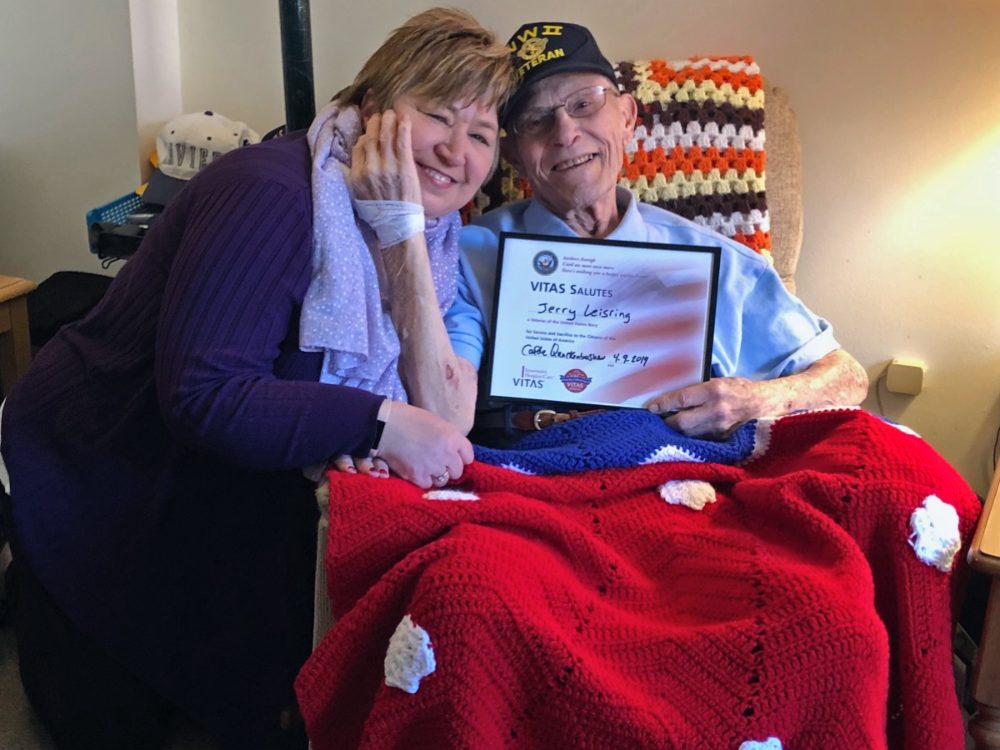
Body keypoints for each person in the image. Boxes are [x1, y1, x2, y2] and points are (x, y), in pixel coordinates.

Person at [0, 8, 513, 750]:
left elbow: (444, 413)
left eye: (482, 136)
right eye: (437, 115)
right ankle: (26, 564)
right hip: (102, 473)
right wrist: (377, 421)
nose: (455, 151)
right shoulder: (272, 195)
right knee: (110, 725)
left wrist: (403, 234)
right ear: (372, 107)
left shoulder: (429, 231)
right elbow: (206, 397)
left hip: (223, 479)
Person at [445, 22, 869, 441]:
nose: (566, 133)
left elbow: (847, 376)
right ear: (515, 154)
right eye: (536, 119)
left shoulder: (721, 262)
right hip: (525, 472)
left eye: (583, 104)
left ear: (627, 116)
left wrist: (753, 400)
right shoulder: (465, 256)